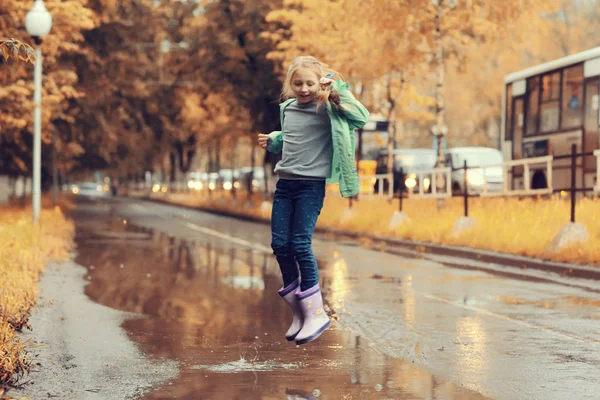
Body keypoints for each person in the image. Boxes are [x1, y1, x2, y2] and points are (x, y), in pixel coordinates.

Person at [257, 56, 369, 345]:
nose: (304, 88)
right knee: (280, 245)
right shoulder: (288, 109)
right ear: (290, 85)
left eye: (309, 83)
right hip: (285, 184)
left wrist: (337, 91)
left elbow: (361, 118)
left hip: (311, 186)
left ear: (318, 83)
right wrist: (274, 139)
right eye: (298, 83)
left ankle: (316, 313)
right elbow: (294, 137)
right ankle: (300, 312)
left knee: (299, 244)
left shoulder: (328, 107)